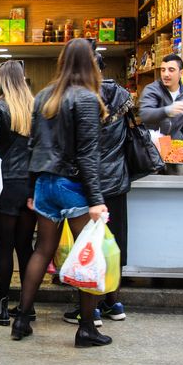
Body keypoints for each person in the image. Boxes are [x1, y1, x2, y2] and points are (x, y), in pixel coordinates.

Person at [11, 38, 112, 348]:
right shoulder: (87, 99)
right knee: (92, 253)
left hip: (45, 185)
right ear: (90, 63)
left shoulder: (43, 96)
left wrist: (32, 189)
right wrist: (96, 200)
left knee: (42, 250)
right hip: (74, 187)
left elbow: (32, 147)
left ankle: (22, 319)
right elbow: (88, 155)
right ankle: (86, 329)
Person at [63, 48, 132, 326]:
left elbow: (81, 146)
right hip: (117, 180)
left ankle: (89, 310)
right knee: (113, 244)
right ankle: (114, 303)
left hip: (89, 184)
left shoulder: (82, 98)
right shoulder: (123, 96)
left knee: (88, 248)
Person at [0, 60, 37, 326]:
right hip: (30, 186)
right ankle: (27, 307)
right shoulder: (35, 107)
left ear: (2, 81)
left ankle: (0, 309)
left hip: (5, 185)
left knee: (4, 249)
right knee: (26, 248)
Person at [139, 54, 183, 143]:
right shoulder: (152, 90)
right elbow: (145, 114)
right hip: (153, 145)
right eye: (163, 70)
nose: (166, 74)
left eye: (171, 70)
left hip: (176, 144)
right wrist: (169, 110)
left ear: (181, 73)